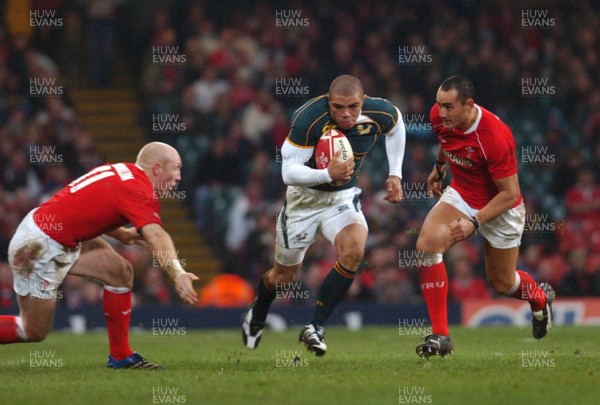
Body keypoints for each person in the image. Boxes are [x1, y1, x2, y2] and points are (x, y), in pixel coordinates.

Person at [242, 74, 406, 356]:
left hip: (341, 198)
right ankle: (258, 313)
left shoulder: (380, 111)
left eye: (353, 107)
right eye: (338, 107)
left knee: (354, 251)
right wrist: (326, 173)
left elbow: (397, 126)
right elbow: (288, 172)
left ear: (363, 102)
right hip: (304, 201)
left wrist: (395, 173)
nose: (346, 114)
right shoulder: (308, 118)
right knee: (284, 276)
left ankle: (314, 326)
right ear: (328, 101)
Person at [0, 142, 199, 369]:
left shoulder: (123, 172)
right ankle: (120, 356)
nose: (179, 177)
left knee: (120, 272)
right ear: (156, 169)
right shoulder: (139, 190)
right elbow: (156, 234)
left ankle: (121, 356)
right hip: (39, 247)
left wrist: (122, 234)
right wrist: (178, 273)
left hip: (51, 231)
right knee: (32, 330)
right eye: (176, 168)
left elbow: (90, 206)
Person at [415, 76, 554, 359]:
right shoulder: (440, 116)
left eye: (448, 107)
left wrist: (475, 222)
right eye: (439, 105)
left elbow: (509, 192)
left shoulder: (495, 136)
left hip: (500, 208)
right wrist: (439, 166)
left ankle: (539, 299)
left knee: (502, 283)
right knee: (427, 246)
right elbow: (446, 139)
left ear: (468, 105)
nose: (441, 113)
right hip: (462, 194)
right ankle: (441, 334)